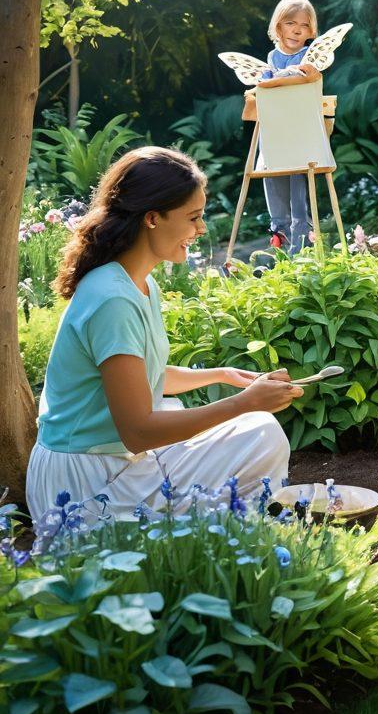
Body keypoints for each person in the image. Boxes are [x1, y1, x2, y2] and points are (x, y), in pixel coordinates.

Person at [26, 147, 303, 523]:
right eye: (193, 218)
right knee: (258, 432)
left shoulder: (136, 283)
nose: (201, 229)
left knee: (256, 431)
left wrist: (222, 375)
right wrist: (244, 403)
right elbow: (138, 431)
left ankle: (232, 535)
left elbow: (139, 378)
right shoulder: (112, 298)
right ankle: (236, 540)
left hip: (113, 464)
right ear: (152, 218)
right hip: (83, 485)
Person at [259, 0, 321, 254]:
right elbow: (261, 87)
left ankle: (302, 249)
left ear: (311, 31)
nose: (297, 29)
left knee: (298, 191)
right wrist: (264, 84)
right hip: (275, 132)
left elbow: (308, 81)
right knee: (274, 185)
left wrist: (277, 81)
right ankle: (280, 250)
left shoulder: (310, 56)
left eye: (304, 25)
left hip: (300, 131)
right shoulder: (272, 57)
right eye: (290, 23)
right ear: (278, 27)